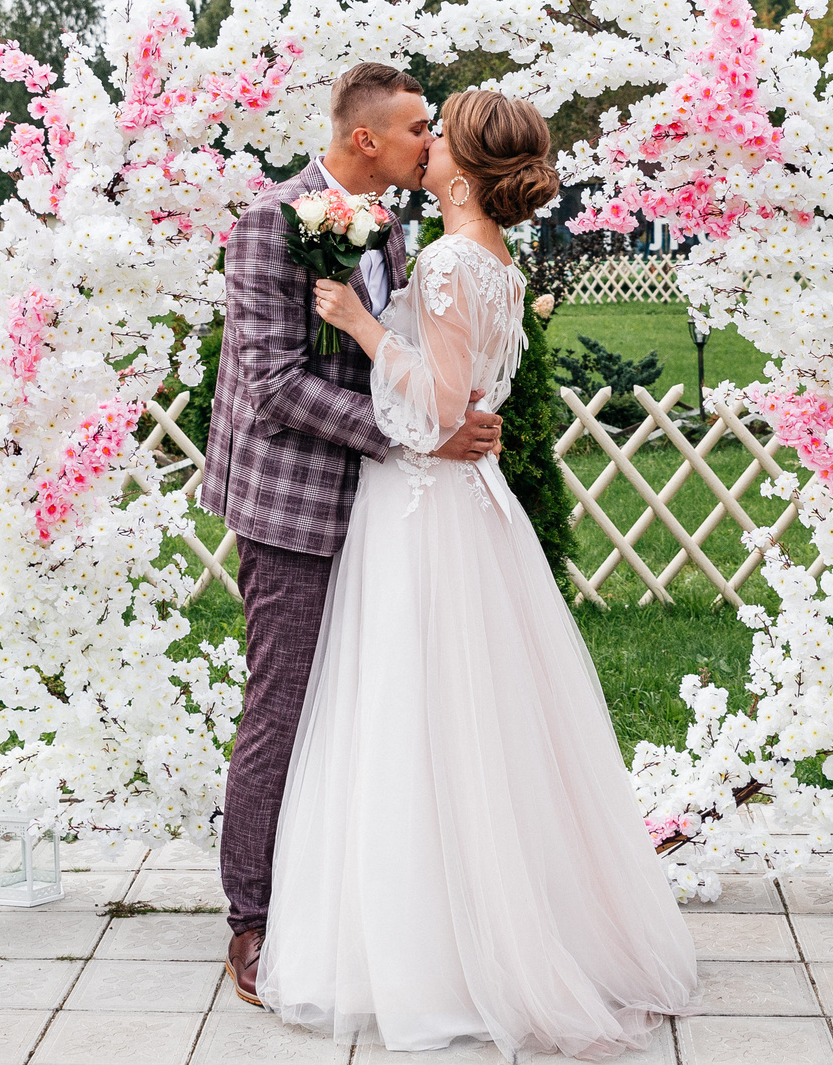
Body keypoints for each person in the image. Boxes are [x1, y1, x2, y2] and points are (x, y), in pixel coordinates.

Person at [267, 90, 699, 1058]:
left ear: (459, 171)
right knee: (473, 717)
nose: (422, 147)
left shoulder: (452, 261)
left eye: (435, 136)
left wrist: (358, 323)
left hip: (426, 508)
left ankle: (435, 956)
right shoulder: (494, 260)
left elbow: (436, 404)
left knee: (415, 713)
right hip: (464, 505)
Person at [202, 63, 503, 1008]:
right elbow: (275, 383)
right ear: (366, 139)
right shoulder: (270, 223)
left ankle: (353, 904)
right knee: (284, 706)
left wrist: (449, 409)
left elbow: (411, 353)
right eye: (420, 128)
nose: (432, 141)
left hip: (390, 514)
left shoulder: (402, 224)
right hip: (293, 508)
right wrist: (418, 433)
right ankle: (251, 920)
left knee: (370, 711)